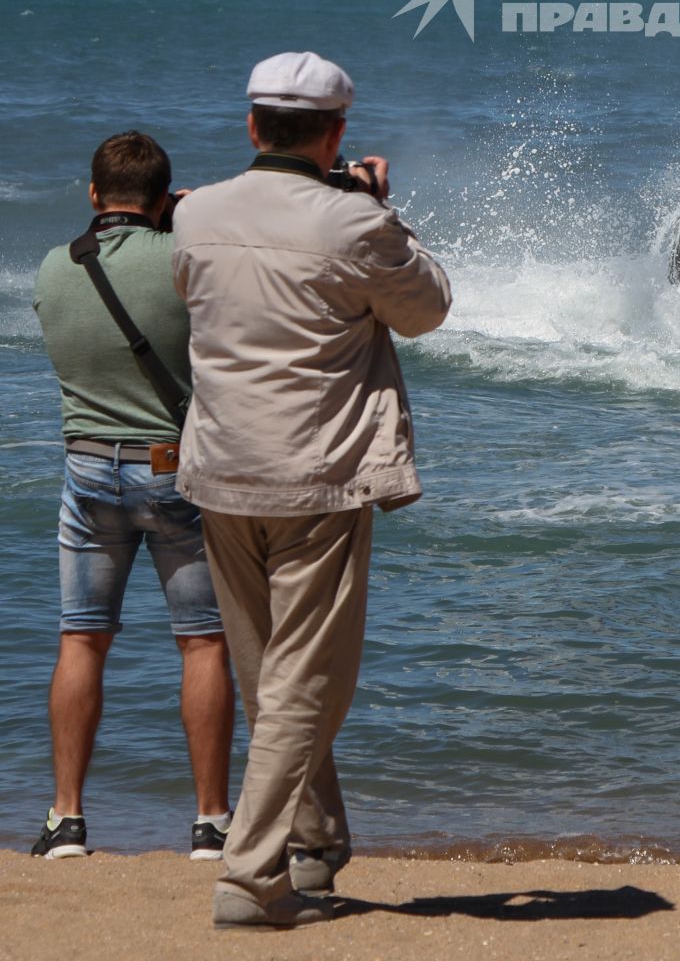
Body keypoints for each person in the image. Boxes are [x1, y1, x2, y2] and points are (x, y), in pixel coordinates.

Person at [173, 51, 452, 931]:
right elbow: (427, 306)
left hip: (219, 468)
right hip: (317, 477)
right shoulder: (353, 223)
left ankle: (315, 845)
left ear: (253, 126)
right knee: (306, 683)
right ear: (336, 133)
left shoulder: (194, 216)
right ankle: (252, 878)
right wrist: (374, 202)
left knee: (270, 677)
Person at [30, 131, 235, 861]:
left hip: (87, 471)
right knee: (203, 641)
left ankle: (66, 821)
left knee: (82, 637)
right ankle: (211, 822)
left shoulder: (56, 267)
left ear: (93, 197)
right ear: (161, 199)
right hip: (175, 468)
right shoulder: (185, 260)